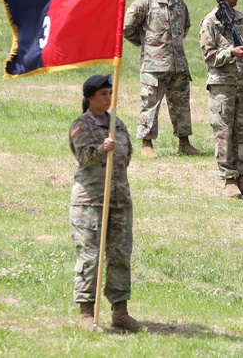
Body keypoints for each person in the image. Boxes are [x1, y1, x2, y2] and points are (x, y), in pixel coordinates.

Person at [68, 74, 142, 333]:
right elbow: (84, 156)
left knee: (120, 256)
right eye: (103, 94)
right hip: (91, 201)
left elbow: (127, 155)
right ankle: (87, 314)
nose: (108, 98)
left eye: (110, 93)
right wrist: (102, 148)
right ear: (90, 98)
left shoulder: (117, 124)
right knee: (91, 256)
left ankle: (120, 312)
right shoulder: (81, 124)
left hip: (119, 200)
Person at [123, 0, 203, 158]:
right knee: (150, 104)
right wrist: (146, 44)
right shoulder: (145, 2)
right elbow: (127, 28)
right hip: (154, 65)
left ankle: (184, 143)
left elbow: (185, 26)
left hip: (178, 64)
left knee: (181, 104)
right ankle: (147, 143)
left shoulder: (179, 2)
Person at [199, 0, 243, 198]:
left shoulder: (242, 20)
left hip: (242, 86)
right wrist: (229, 53)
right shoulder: (210, 21)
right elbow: (208, 56)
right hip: (221, 86)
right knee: (224, 133)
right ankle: (229, 180)